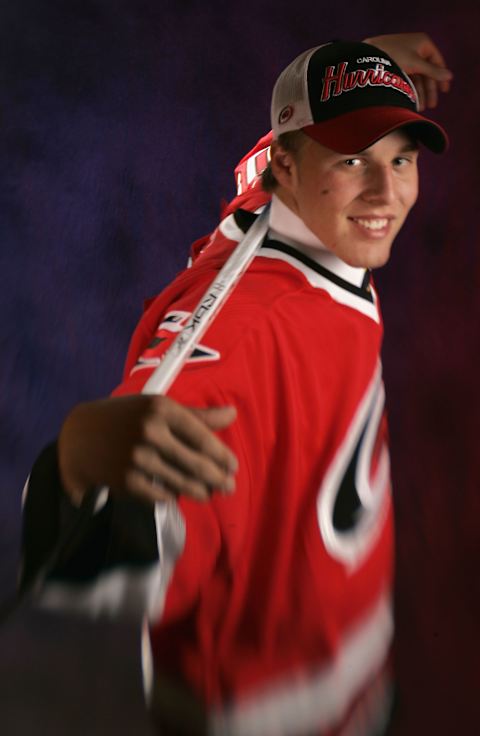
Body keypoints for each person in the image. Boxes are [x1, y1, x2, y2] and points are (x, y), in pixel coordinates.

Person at [20, 33, 451, 736]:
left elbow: (283, 150)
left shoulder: (275, 191)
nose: (386, 193)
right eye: (353, 161)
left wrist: (358, 72)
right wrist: (74, 469)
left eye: (400, 159)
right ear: (290, 164)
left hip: (363, 683)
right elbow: (119, 540)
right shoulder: (249, 341)